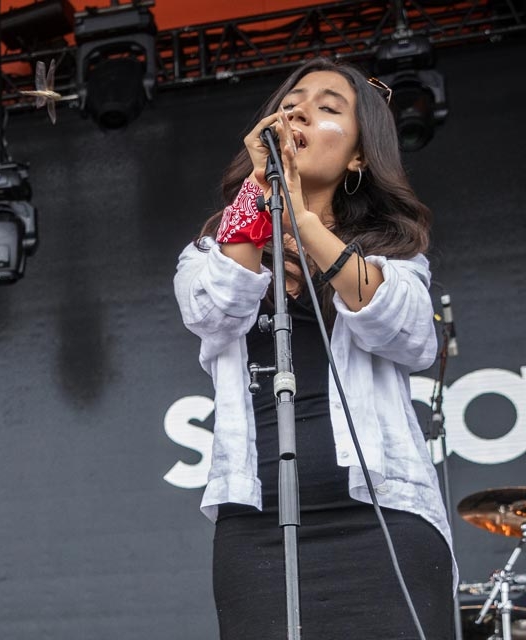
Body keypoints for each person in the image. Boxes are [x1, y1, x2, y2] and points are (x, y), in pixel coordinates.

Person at [173, 58, 455, 639]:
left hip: (385, 517)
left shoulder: (394, 257)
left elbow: (412, 336)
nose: (301, 111)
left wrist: (305, 221)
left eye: (329, 108)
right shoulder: (213, 248)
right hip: (256, 526)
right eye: (294, 102)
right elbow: (212, 313)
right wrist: (258, 195)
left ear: (358, 156)